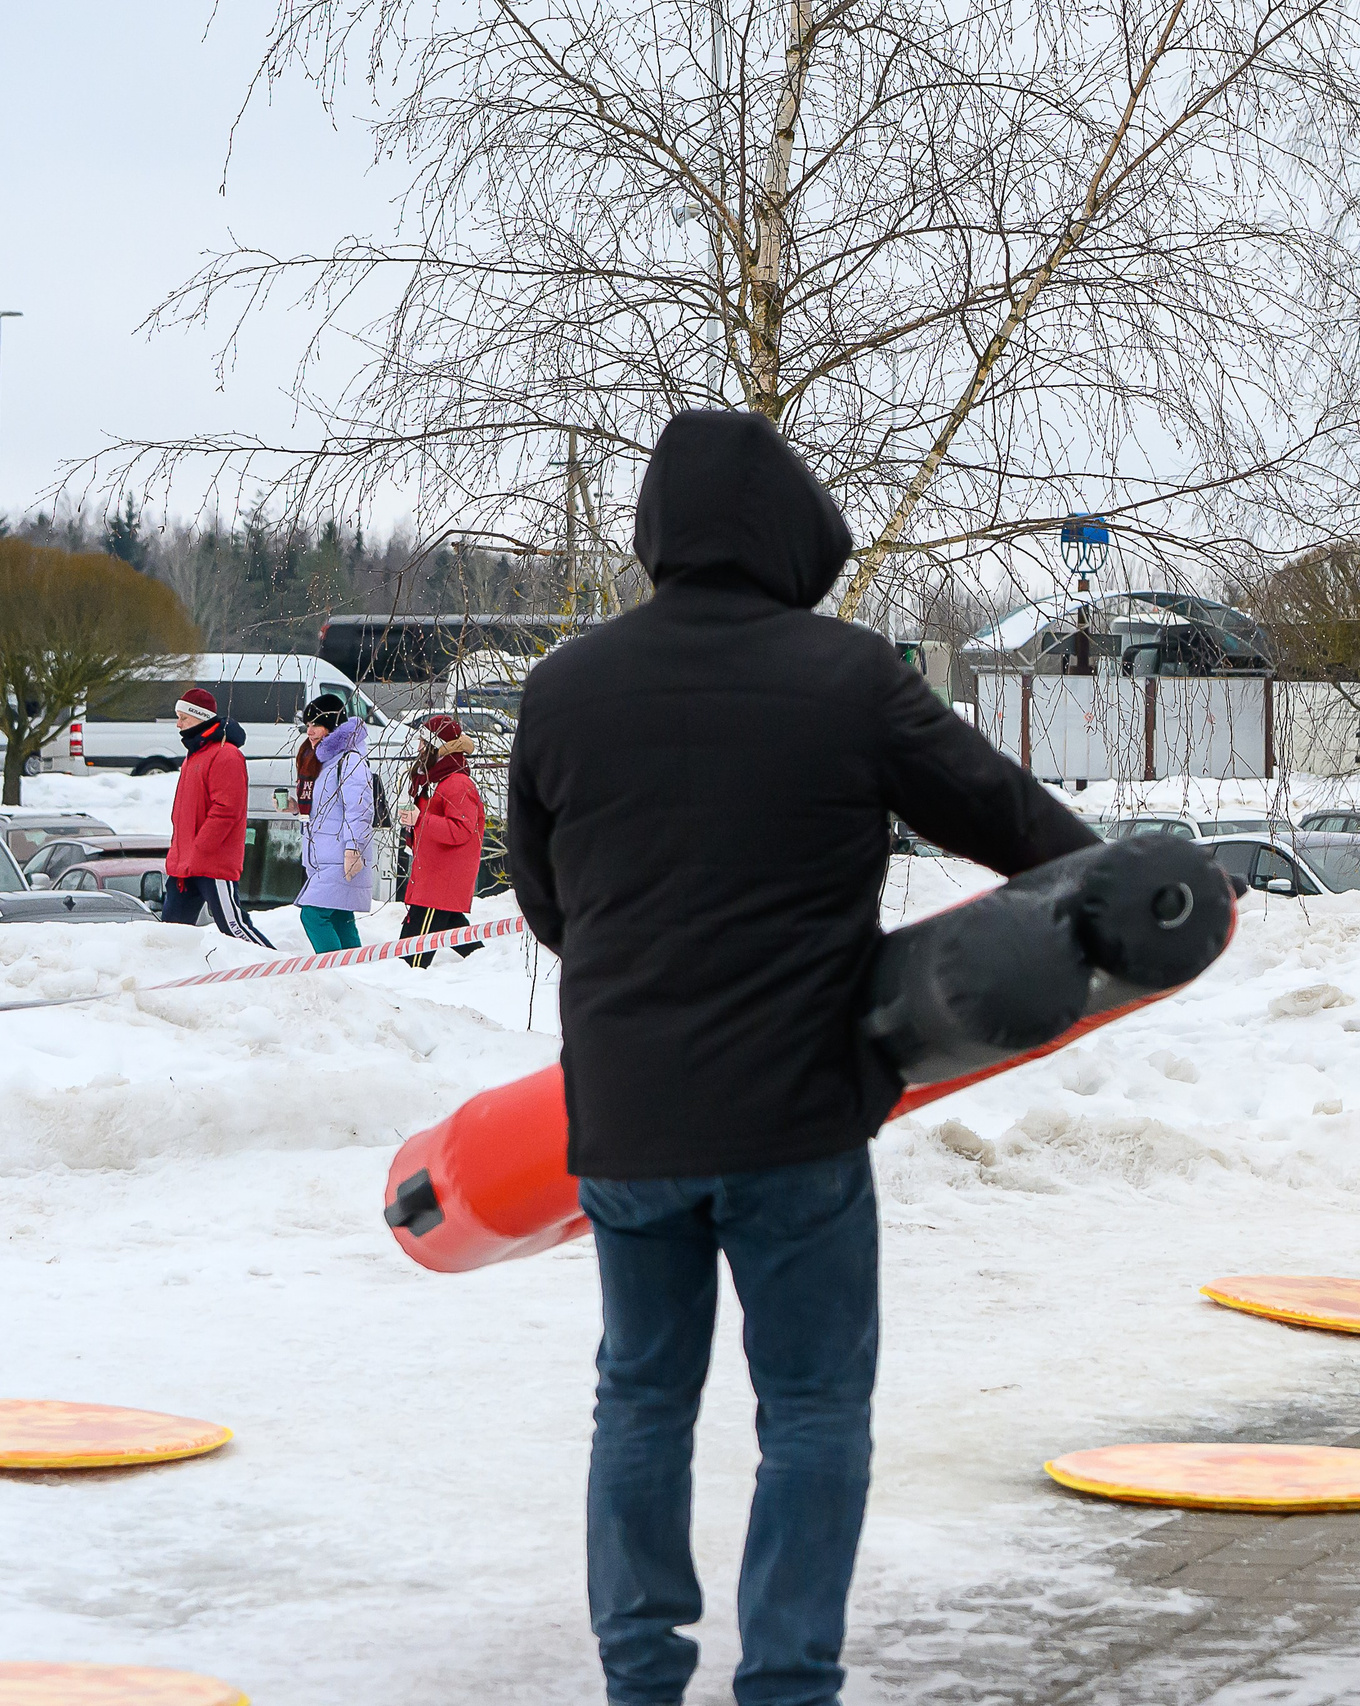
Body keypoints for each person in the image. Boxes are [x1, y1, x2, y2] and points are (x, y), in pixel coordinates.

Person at [508, 410, 1094, 1706]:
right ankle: (785, 1683)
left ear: (660, 532)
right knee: (814, 1412)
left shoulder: (561, 690)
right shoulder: (848, 677)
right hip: (798, 1119)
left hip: (627, 1123)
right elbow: (1025, 836)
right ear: (787, 529)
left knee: (642, 1399)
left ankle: (640, 1678)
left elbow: (547, 905)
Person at [161, 687, 275, 947]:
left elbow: (227, 809)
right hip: (185, 862)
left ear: (200, 717)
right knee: (170, 935)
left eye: (184, 718)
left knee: (234, 927)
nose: (178, 724)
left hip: (211, 860)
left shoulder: (225, 754)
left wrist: (202, 846)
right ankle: (171, 984)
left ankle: (278, 970)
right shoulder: (195, 754)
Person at [398, 713, 487, 968]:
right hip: (432, 879)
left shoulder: (457, 783)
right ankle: (490, 971)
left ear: (438, 747)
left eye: (424, 744)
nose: (418, 749)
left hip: (438, 884)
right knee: (463, 942)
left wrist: (419, 819)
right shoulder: (435, 780)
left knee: (409, 962)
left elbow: (461, 830)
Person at [292, 695, 373, 954]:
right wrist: (296, 807)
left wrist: (354, 848)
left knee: (313, 916)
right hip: (324, 855)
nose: (310, 731)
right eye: (307, 724)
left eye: (316, 724)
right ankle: (358, 976)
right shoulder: (323, 761)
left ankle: (334, 973)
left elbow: (359, 809)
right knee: (340, 918)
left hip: (341, 855)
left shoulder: (349, 760)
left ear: (331, 723)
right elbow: (328, 808)